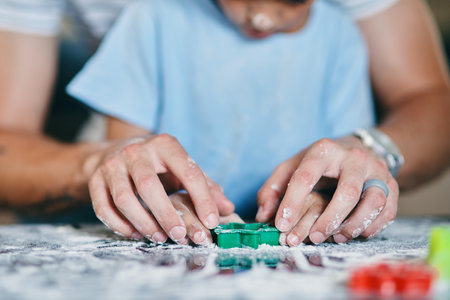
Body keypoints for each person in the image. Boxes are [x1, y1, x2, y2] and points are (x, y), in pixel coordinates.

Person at [0, 0, 449, 246]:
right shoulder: (151, 18)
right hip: (172, 256)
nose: (260, 16)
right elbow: (132, 154)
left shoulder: (341, 38)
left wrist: (326, 199)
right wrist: (157, 197)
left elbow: (344, 165)